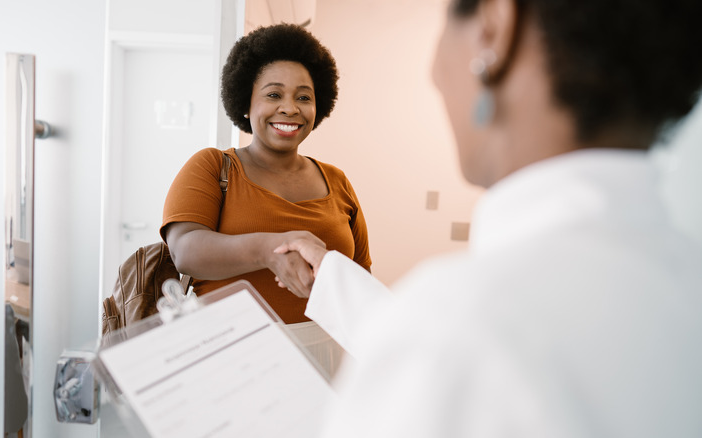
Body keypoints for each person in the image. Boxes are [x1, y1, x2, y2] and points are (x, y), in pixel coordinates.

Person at [274, 0, 702, 436]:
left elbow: (455, 345)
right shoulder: (684, 278)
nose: (436, 73)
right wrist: (331, 274)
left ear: (494, 29)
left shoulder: (456, 337)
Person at [160, 23, 371, 377]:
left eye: (304, 97)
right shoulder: (213, 167)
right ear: (246, 102)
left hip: (328, 362)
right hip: (232, 359)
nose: (290, 108)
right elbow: (185, 251)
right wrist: (270, 250)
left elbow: (360, 274)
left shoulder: (337, 181)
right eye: (274, 95)